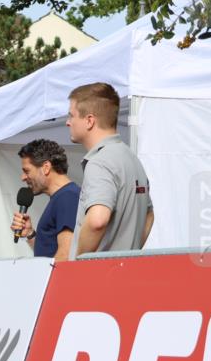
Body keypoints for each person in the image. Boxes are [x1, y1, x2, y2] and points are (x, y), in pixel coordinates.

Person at [66, 82, 154, 258]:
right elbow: (149, 215)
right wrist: (128, 253)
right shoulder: (130, 158)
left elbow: (98, 220)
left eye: (71, 116)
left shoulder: (100, 162)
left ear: (89, 121)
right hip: (122, 273)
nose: (68, 122)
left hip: (98, 278)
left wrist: (78, 263)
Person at [10, 139, 80, 261]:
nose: (23, 177)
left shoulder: (67, 197)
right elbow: (50, 253)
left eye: (27, 171)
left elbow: (67, 254)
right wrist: (30, 234)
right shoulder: (61, 197)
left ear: (46, 167)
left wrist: (47, 279)